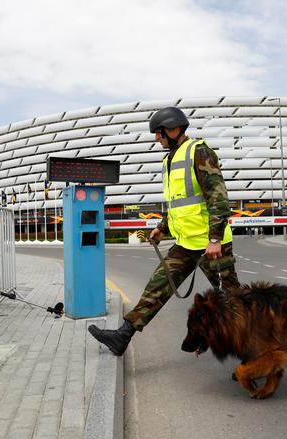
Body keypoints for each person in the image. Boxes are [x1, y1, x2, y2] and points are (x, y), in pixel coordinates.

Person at [88, 106, 241, 356]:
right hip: (185, 244)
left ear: (173, 129)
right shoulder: (170, 159)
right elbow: (179, 202)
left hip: (212, 246)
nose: (156, 138)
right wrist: (162, 227)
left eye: (158, 133)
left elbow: (219, 199)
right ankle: (122, 336)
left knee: (234, 301)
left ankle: (254, 352)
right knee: (157, 286)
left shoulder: (199, 153)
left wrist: (214, 239)